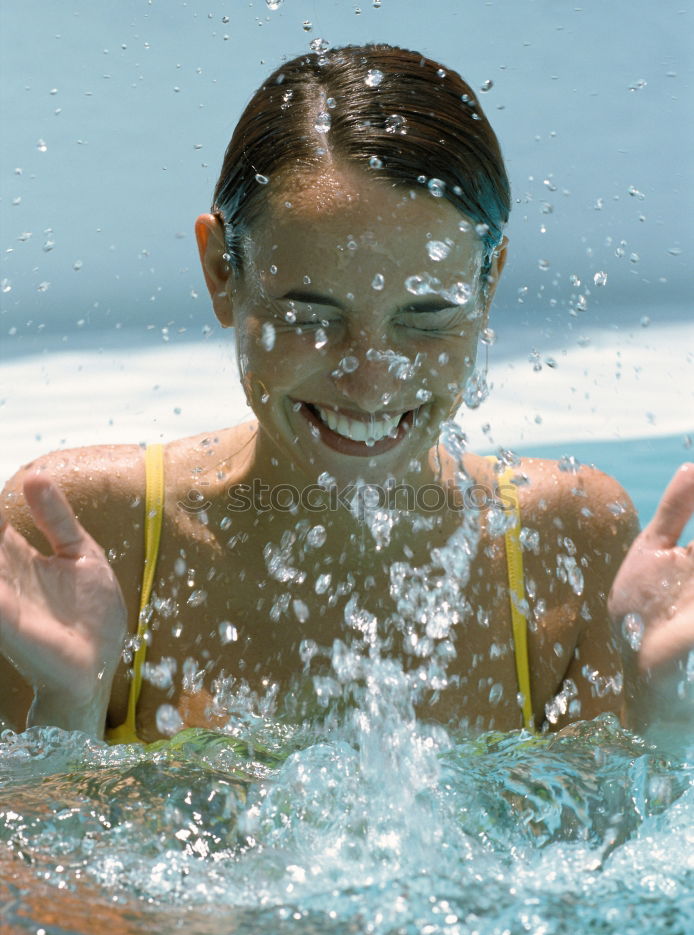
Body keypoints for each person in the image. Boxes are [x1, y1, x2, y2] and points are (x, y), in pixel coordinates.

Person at [1, 44, 692, 745]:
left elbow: (595, 847)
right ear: (219, 272)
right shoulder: (88, 539)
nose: (372, 379)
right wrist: (65, 709)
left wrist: (663, 719)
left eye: (425, 317)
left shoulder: (563, 541)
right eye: (311, 316)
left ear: (488, 285)